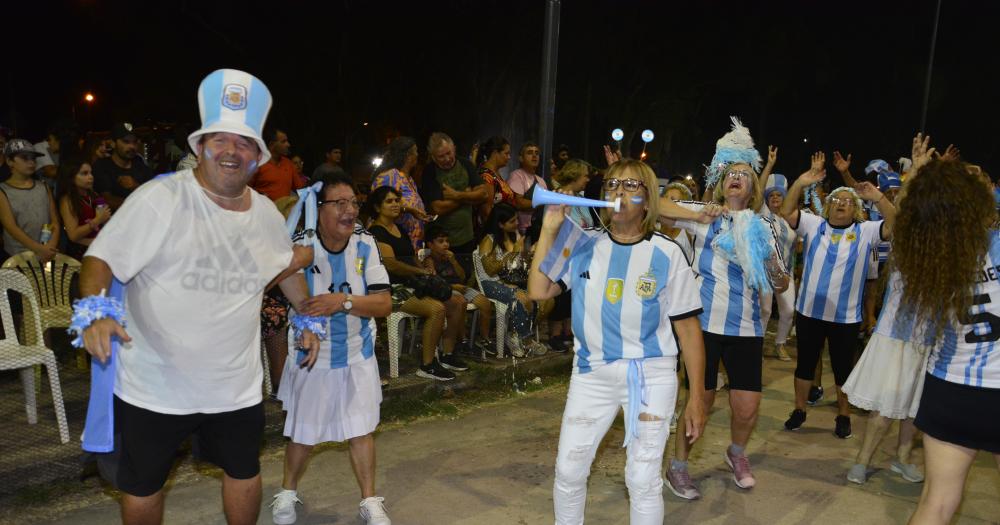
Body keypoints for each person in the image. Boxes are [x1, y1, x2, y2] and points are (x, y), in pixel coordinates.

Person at [75, 69, 320, 525]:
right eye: (220, 140)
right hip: (155, 387)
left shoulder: (266, 213)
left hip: (235, 386)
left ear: (258, 157)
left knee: (244, 472)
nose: (232, 151)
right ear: (200, 147)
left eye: (244, 142)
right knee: (144, 484)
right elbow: (100, 259)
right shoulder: (160, 198)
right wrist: (95, 312)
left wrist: (306, 317)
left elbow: (284, 265)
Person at [529, 158, 708, 524]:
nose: (618, 193)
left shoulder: (669, 253)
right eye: (612, 185)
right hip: (591, 375)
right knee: (568, 471)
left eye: (630, 186)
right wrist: (549, 229)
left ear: (648, 198)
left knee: (642, 479)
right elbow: (538, 290)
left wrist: (697, 397)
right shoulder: (582, 244)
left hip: (651, 377)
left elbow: (689, 331)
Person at [664, 119, 789, 498]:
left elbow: (781, 283)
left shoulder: (766, 227)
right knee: (699, 400)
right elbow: (657, 208)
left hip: (747, 327)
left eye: (744, 174)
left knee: (747, 407)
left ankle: (736, 454)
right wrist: (696, 215)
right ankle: (678, 467)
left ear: (753, 186)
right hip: (703, 324)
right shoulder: (705, 214)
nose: (736, 178)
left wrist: (769, 262)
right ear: (721, 180)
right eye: (730, 173)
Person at [271, 173, 393, 525]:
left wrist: (343, 302)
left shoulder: (365, 244)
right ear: (317, 209)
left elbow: (383, 303)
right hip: (314, 355)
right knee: (304, 432)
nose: (349, 210)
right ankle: (288, 491)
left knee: (361, 430)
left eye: (353, 202)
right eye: (339, 203)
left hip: (357, 351)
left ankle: (369, 499)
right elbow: (287, 291)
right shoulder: (299, 246)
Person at [895, 150, 1000, 525]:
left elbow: (909, 215)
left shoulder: (925, 256)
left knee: (936, 504)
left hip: (950, 389)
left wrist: (919, 176)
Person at [780, 151, 896, 438]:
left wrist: (878, 197)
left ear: (855, 209)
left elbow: (895, 224)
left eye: (847, 201)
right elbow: (786, 211)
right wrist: (801, 181)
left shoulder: (865, 230)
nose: (841, 204)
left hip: (845, 318)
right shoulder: (813, 224)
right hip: (809, 312)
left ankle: (843, 415)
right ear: (827, 207)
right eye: (835, 201)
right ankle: (799, 409)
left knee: (843, 370)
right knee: (805, 365)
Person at [366, 185, 469, 380]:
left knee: (458, 302)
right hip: (391, 289)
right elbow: (391, 265)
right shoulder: (376, 232)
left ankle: (447, 355)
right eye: (389, 201)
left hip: (412, 283)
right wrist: (420, 271)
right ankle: (428, 365)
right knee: (437, 309)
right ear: (378, 207)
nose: (395, 204)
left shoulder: (399, 228)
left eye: (397, 200)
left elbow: (411, 258)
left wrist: (424, 269)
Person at [478, 202, 549, 357]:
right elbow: (490, 271)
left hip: (512, 280)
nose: (517, 223)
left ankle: (515, 334)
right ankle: (526, 340)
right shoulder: (488, 240)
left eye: (516, 219)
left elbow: (519, 264)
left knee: (546, 301)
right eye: (512, 221)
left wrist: (529, 254)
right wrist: (512, 253)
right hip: (490, 283)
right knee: (521, 297)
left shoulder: (514, 236)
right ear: (500, 224)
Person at [421, 132, 488, 277]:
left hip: (467, 239)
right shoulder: (429, 172)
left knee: (467, 279)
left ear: (454, 149)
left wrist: (457, 195)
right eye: (441, 156)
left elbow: (483, 194)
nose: (447, 159)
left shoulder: (466, 164)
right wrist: (468, 195)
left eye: (448, 153)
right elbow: (437, 208)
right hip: (440, 242)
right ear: (433, 156)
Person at [425, 222, 495, 355]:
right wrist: (452, 286)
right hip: (446, 290)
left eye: (447, 241)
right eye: (441, 241)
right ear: (430, 245)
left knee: (485, 303)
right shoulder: (429, 261)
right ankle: (462, 340)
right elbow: (433, 282)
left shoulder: (451, 258)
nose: (446, 244)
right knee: (460, 302)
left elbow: (462, 276)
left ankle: (484, 339)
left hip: (461, 287)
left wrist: (454, 261)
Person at [0, 138, 60, 262]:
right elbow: (11, 227)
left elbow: (55, 221)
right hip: (17, 257)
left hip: (46, 253)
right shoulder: (3, 191)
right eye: (24, 158)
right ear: (9, 161)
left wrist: (51, 246)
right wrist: (39, 249)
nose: (31, 162)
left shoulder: (43, 187)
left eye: (33, 158)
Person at [371, 136, 431, 250]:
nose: (418, 155)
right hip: (395, 242)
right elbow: (379, 204)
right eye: (416, 151)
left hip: (412, 242)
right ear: (408, 155)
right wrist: (409, 210)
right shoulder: (390, 176)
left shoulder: (410, 180)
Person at [56, 157, 111, 260]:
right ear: (71, 177)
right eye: (84, 173)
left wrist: (106, 219)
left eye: (91, 173)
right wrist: (98, 220)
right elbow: (73, 235)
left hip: (97, 248)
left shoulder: (93, 194)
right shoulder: (67, 200)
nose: (91, 177)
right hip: (79, 252)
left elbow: (104, 220)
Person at [92, 122, 153, 210]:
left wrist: (135, 186)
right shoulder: (102, 166)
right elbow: (106, 200)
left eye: (134, 142)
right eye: (126, 141)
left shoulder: (139, 163)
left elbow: (153, 194)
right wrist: (138, 203)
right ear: (113, 143)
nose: (132, 146)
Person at [477, 136, 533, 224]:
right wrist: (500, 228)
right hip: (496, 230)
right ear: (495, 153)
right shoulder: (486, 176)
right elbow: (486, 212)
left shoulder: (495, 174)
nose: (509, 157)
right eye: (506, 153)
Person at [250, 127, 306, 201]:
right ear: (271, 144)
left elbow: (301, 189)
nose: (288, 144)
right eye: (283, 141)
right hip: (262, 210)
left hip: (284, 211)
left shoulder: (288, 164)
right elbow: (244, 190)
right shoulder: (258, 163)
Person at [506, 142, 547, 234]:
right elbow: (519, 203)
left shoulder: (541, 181)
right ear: (521, 158)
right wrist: (543, 201)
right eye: (529, 153)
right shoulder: (516, 176)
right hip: (519, 231)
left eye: (537, 153)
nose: (534, 156)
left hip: (537, 230)